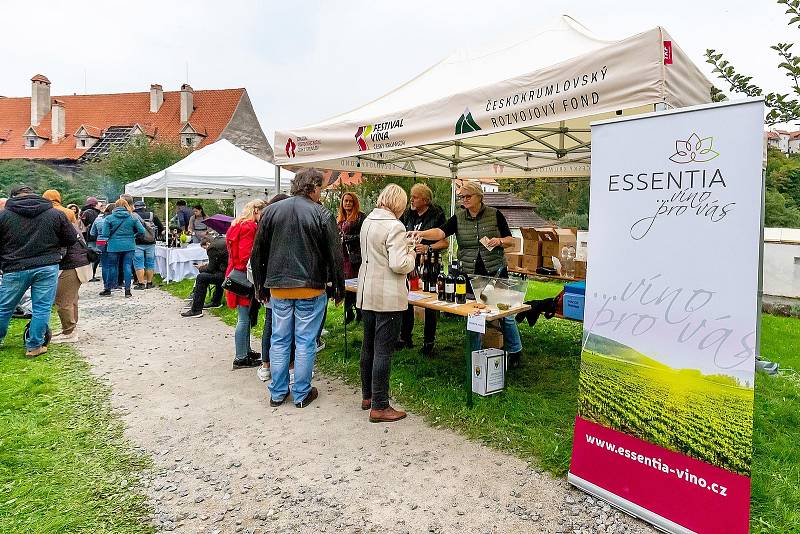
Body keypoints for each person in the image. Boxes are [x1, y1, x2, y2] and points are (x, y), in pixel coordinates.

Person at [251, 168, 345, 409]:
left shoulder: (271, 211)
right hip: (310, 287)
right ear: (313, 187)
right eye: (320, 188)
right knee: (304, 341)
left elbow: (257, 252)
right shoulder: (321, 213)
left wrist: (260, 285)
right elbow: (335, 255)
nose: (320, 193)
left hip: (278, 287)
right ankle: (301, 394)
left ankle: (278, 392)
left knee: (279, 339)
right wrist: (338, 288)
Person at [410, 180, 525, 368]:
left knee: (504, 313)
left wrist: (499, 241)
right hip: (470, 274)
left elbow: (511, 241)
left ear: (479, 196)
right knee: (474, 314)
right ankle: (475, 354)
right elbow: (441, 232)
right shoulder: (458, 218)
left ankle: (514, 350)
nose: (464, 200)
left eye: (467, 196)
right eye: (462, 197)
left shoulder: (495, 215)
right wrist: (421, 234)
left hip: (495, 270)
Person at [356, 184, 417, 423]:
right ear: (399, 203)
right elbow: (399, 264)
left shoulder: (368, 220)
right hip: (388, 295)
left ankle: (368, 396)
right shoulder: (395, 225)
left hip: (367, 290)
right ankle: (380, 406)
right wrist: (412, 254)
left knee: (368, 345)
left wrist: (405, 246)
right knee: (383, 351)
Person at [0, 184, 77, 358]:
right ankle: (34, 346)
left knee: (4, 307)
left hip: (14, 267)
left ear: (12, 197)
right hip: (47, 266)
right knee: (41, 308)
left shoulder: (3, 216)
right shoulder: (55, 214)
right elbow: (71, 239)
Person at [399, 183, 448, 355]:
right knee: (406, 297)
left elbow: (445, 241)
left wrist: (428, 248)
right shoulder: (408, 214)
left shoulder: (436, 214)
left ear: (425, 200)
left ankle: (428, 342)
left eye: (415, 197)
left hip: (429, 264)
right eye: (411, 196)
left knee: (430, 303)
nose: (411, 199)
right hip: (409, 262)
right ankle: (405, 337)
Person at [225, 199, 266, 369]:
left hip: (234, 273)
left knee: (245, 316)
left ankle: (245, 350)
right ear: (256, 210)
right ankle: (241, 356)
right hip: (243, 276)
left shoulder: (236, 224)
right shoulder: (249, 227)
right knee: (244, 317)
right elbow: (245, 256)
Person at [255, 193, 290, 382]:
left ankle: (272, 368)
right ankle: (272, 367)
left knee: (277, 331)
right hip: (276, 287)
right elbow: (257, 260)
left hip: (274, 287)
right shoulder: (275, 228)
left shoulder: (268, 226)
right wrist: (262, 288)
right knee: (277, 330)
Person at [100, 199, 145, 298]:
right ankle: (127, 291)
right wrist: (133, 235)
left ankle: (108, 288)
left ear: (116, 206)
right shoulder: (132, 217)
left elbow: (105, 234)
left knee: (112, 266)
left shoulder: (109, 218)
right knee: (127, 266)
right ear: (126, 205)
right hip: (129, 245)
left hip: (113, 246)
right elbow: (142, 230)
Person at [181, 235, 228, 318]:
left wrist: (201, 268)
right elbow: (216, 264)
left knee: (201, 277)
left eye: (204, 248)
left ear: (207, 243)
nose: (206, 250)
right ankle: (215, 301)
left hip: (227, 275)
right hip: (229, 271)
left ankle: (196, 310)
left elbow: (210, 269)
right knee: (216, 273)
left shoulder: (212, 248)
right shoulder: (220, 240)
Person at [338, 192, 366, 325]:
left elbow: (363, 236)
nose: (348, 203)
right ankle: (348, 313)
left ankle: (358, 312)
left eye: (350, 201)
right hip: (344, 257)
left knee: (354, 286)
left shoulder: (360, 217)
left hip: (355, 257)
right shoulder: (341, 218)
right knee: (346, 286)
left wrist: (346, 239)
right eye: (345, 201)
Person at [132, 200, 164, 290]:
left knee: (139, 263)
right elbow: (161, 228)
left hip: (137, 242)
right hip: (151, 243)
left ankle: (141, 284)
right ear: (144, 207)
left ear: (135, 207)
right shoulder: (152, 215)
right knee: (150, 263)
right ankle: (149, 283)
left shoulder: (133, 215)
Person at [80, 197, 102, 281]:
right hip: (94, 237)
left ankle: (91, 275)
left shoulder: (84, 212)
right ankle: (91, 275)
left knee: (91, 255)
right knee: (94, 255)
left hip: (88, 237)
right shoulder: (92, 212)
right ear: (94, 204)